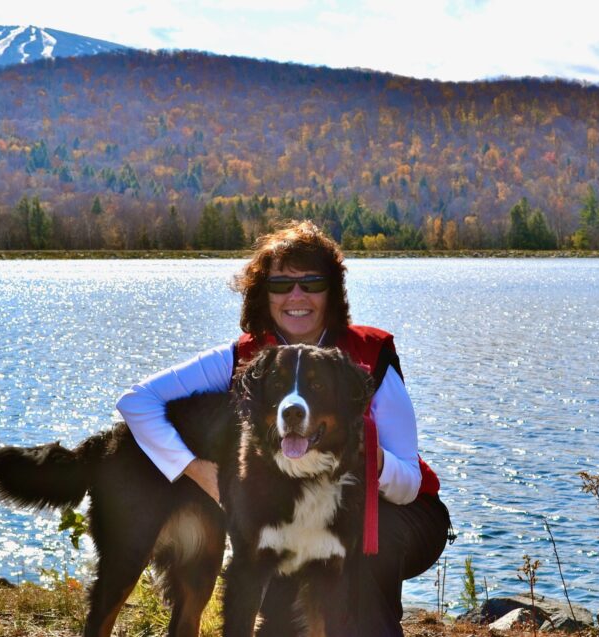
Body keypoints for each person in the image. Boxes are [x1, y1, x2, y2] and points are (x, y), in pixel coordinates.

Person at [116, 220, 450, 636]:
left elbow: (408, 483)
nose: (296, 296)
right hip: (292, 516)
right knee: (278, 617)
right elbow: (137, 402)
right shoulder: (243, 357)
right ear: (263, 293)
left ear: (332, 292)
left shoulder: (370, 353)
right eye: (280, 285)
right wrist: (200, 472)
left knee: (361, 550)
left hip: (399, 513)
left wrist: (372, 460)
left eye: (312, 283)